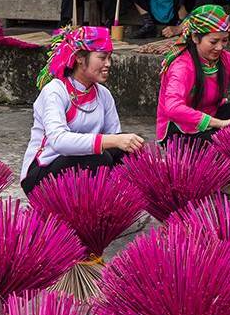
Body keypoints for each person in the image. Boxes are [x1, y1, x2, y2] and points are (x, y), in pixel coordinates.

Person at [20, 26, 145, 193]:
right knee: (97, 157)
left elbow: (115, 139)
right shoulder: (55, 91)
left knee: (129, 149)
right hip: (42, 175)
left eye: (110, 58)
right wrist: (111, 141)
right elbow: (59, 141)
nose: (108, 64)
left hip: (84, 165)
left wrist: (121, 142)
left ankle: (111, 203)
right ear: (79, 58)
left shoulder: (104, 95)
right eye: (101, 58)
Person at [156, 5, 230, 143]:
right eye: (213, 41)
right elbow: (173, 107)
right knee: (222, 143)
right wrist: (218, 123)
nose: (220, 47)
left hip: (214, 118)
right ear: (196, 38)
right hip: (180, 129)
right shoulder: (182, 66)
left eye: (224, 40)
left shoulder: (227, 60)